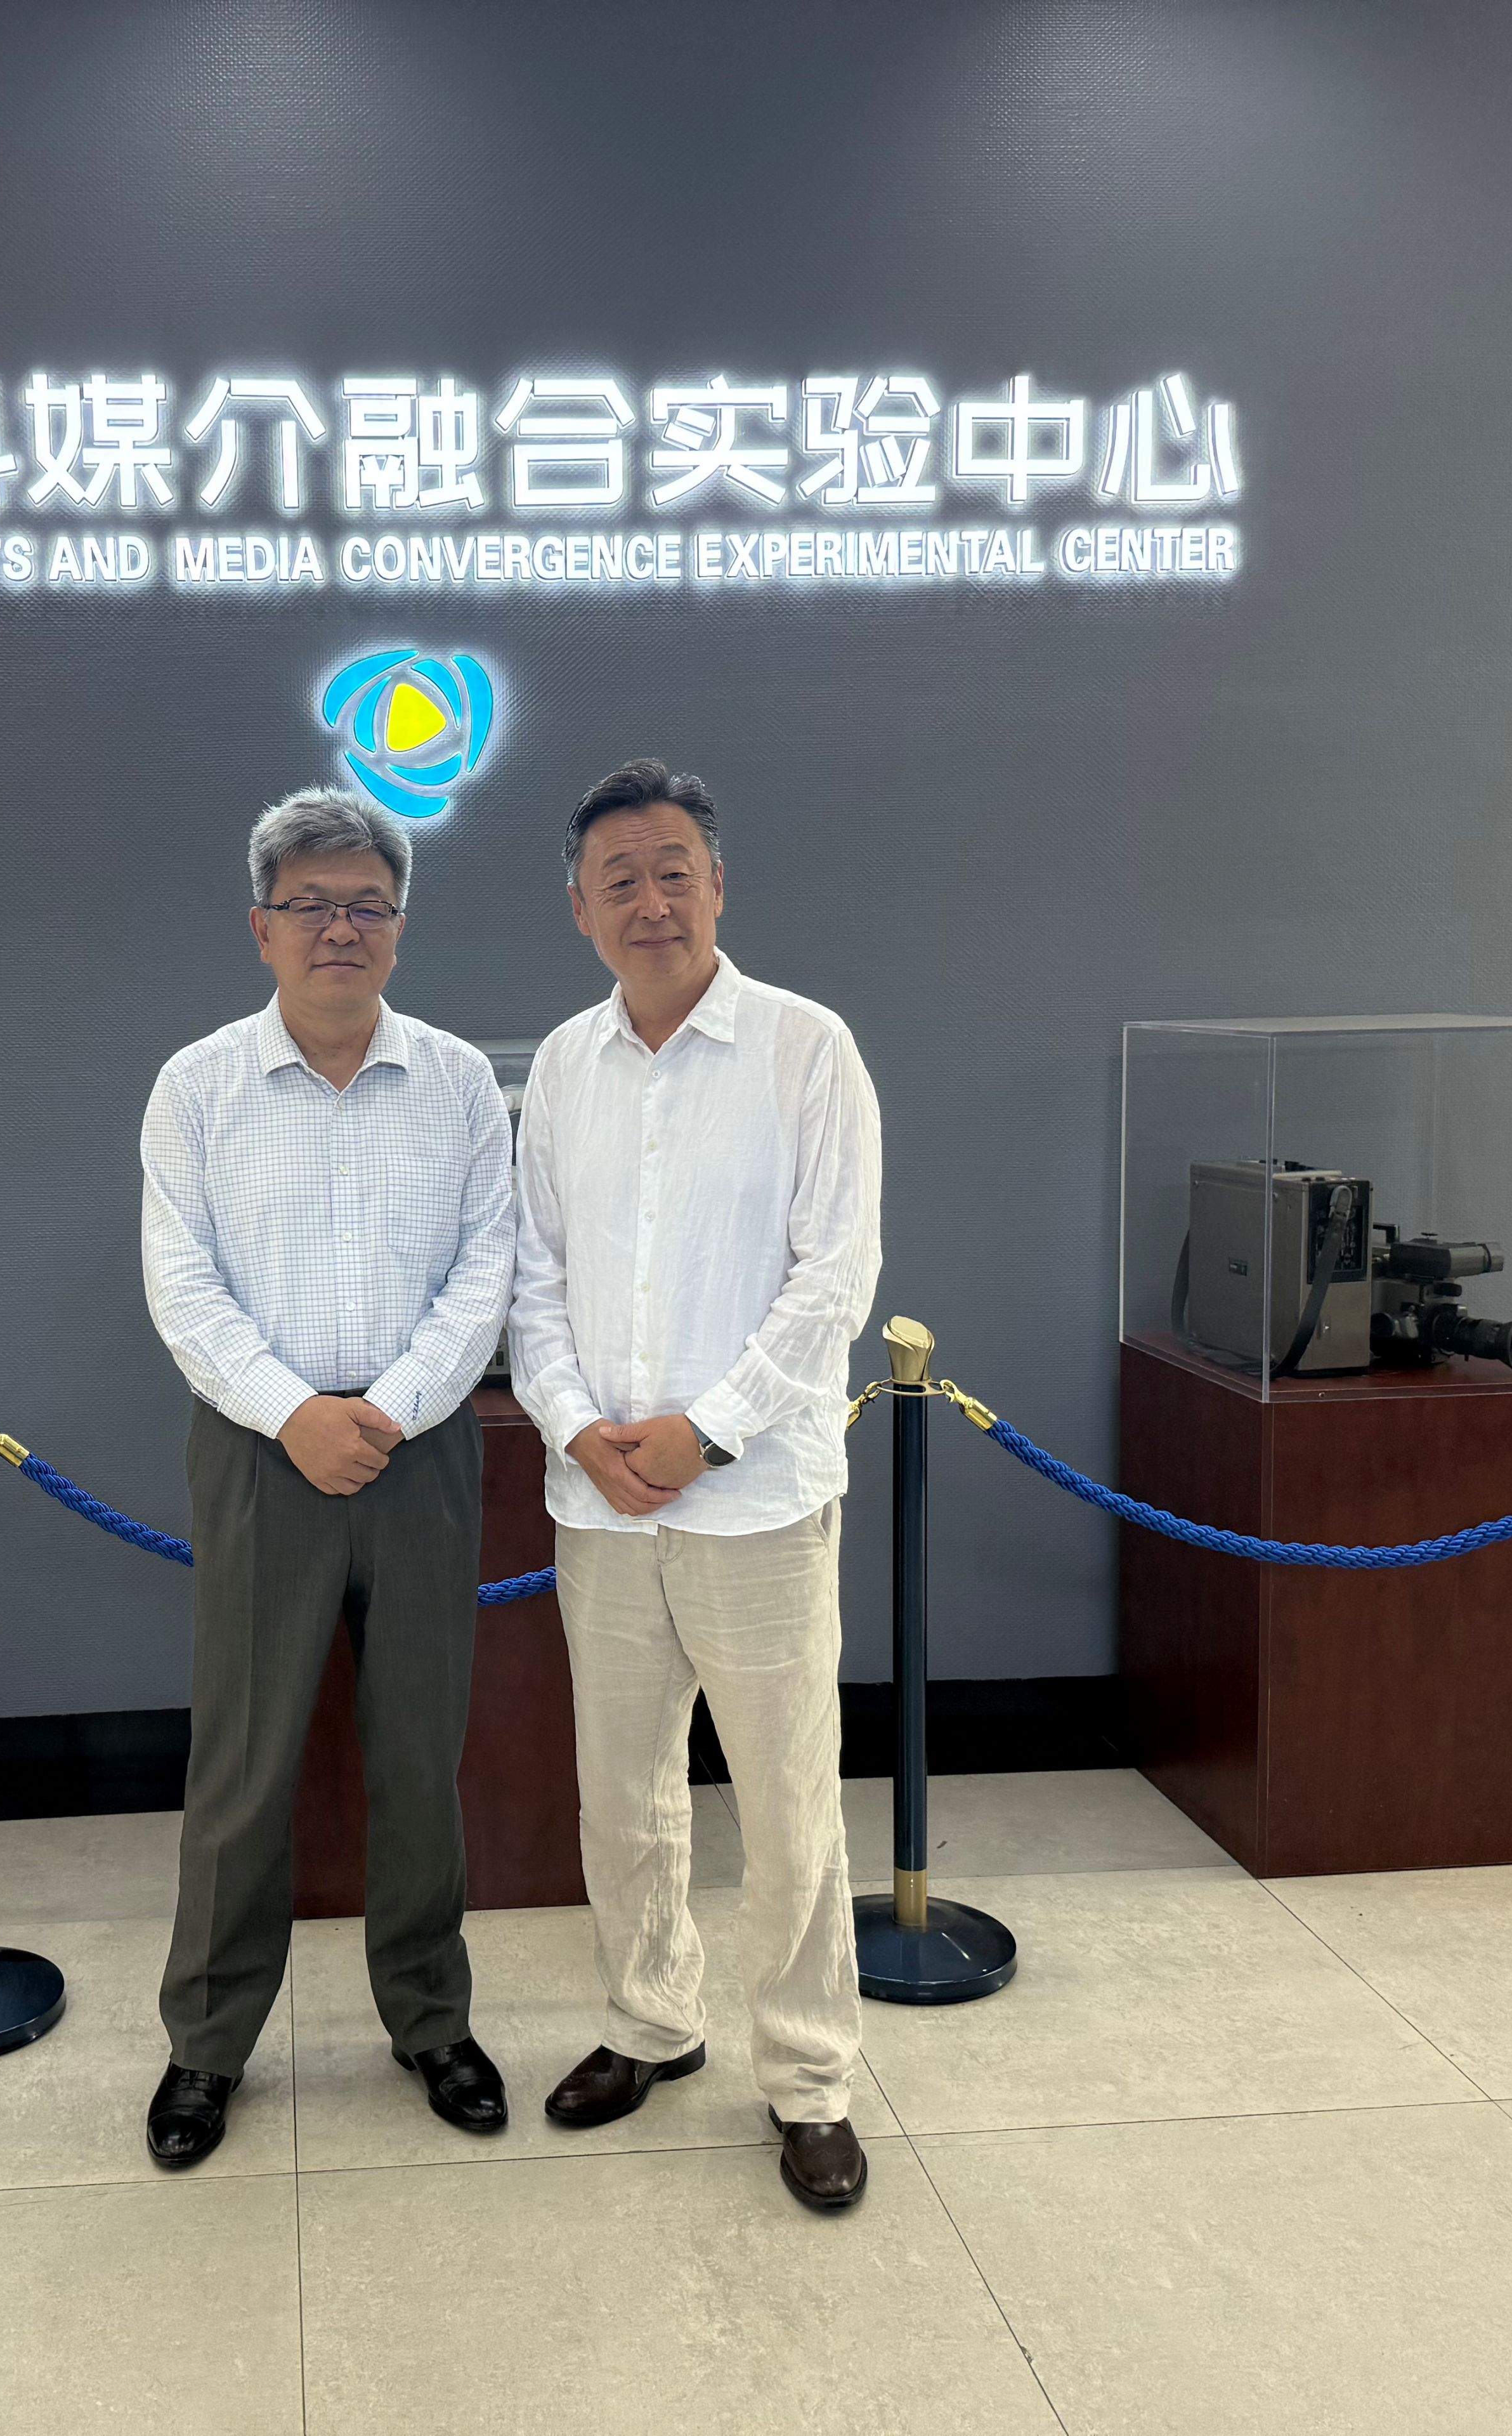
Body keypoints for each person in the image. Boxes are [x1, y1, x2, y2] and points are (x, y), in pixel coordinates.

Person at [508, 756, 884, 2210]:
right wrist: (576, 1428)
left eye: (674, 872)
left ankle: (808, 2075)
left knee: (787, 1810)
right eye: (620, 879)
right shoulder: (561, 1066)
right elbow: (534, 1278)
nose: (650, 901)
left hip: (758, 1503)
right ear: (578, 909)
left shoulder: (805, 1048)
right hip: (598, 1508)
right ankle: (652, 2022)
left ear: (718, 887)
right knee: (623, 1797)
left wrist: (704, 1434)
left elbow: (832, 1276)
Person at [136, 785, 517, 2167]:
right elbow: (182, 1286)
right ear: (262, 929)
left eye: (366, 905)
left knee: (419, 1759)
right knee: (243, 1765)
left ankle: (431, 2019)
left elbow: (488, 1269)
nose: (338, 929)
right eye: (310, 905)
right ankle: (208, 2041)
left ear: (400, 927)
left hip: (423, 1458)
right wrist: (295, 1414)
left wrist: (394, 1411)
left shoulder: (461, 1084)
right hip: (259, 1456)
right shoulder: (196, 1087)